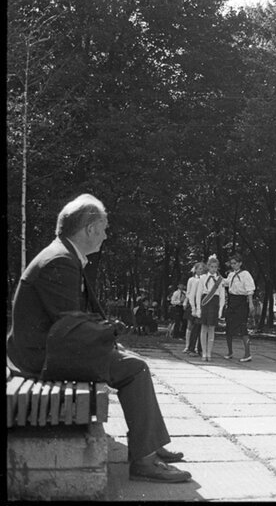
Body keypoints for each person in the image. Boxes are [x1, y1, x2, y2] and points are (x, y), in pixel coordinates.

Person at [6, 193, 191, 483]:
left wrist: (108, 337)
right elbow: (70, 323)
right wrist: (109, 334)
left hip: (42, 348)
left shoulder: (63, 254)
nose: (105, 235)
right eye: (103, 228)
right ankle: (144, 462)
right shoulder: (60, 260)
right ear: (90, 229)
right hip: (39, 356)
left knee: (132, 361)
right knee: (135, 368)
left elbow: (70, 319)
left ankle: (149, 445)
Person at [222, 253, 256, 362]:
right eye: (231, 264)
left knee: (242, 327)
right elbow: (225, 283)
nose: (233, 265)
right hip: (232, 301)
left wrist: (250, 303)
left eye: (235, 263)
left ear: (240, 263)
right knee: (229, 326)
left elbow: (250, 289)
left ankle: (247, 354)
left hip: (241, 302)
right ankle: (230, 352)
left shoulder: (245, 274)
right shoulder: (231, 274)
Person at [195, 254, 225, 362]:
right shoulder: (203, 278)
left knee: (212, 329)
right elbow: (198, 294)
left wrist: (221, 309)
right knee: (204, 328)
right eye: (211, 267)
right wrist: (198, 308)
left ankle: (209, 353)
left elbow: (222, 296)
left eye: (215, 267)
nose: (213, 269)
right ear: (208, 266)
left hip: (215, 303)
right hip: (205, 302)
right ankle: (203, 352)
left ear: (217, 268)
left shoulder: (220, 280)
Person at [183, 262, 206, 355]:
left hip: (201, 303)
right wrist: (186, 302)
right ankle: (187, 345)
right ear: (195, 270)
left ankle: (197, 346)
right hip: (192, 303)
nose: (201, 271)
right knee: (190, 325)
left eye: (202, 269)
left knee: (199, 326)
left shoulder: (205, 279)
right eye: (199, 269)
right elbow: (188, 292)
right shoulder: (191, 280)